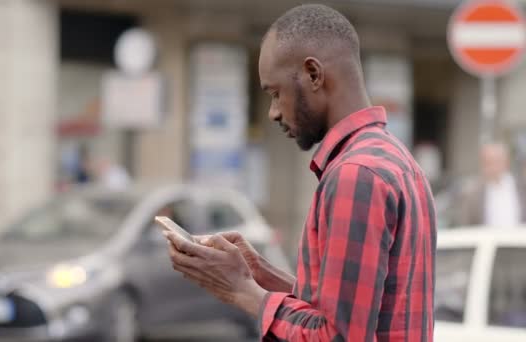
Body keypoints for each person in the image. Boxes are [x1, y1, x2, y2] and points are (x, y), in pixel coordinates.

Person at [163, 4, 436, 341]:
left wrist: (241, 291)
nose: (273, 113)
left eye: (276, 94)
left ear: (313, 74)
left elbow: (336, 336)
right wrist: (258, 275)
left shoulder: (356, 175)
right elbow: (350, 310)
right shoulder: (395, 159)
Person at [456, 142, 523, 227]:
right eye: (488, 162)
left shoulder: (521, 187)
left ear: (506, 162)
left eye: (497, 161)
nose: (493, 167)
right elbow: (466, 224)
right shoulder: (473, 193)